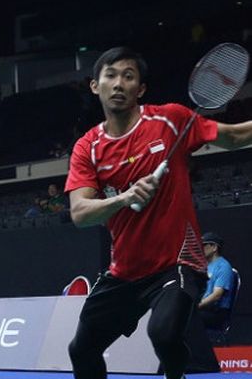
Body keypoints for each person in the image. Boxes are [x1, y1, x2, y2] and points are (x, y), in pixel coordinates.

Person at [65, 47, 252, 379]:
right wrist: (123, 199)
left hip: (175, 262)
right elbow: (80, 213)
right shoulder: (88, 147)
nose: (119, 83)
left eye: (128, 75)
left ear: (141, 89)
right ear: (95, 86)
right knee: (81, 349)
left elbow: (234, 136)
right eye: (110, 75)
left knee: (163, 334)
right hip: (123, 271)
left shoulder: (170, 120)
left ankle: (176, 374)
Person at [197, 232, 235, 330]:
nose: (201, 248)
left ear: (214, 247)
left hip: (216, 313)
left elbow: (217, 295)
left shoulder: (223, 267)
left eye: (204, 245)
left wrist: (198, 305)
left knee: (186, 318)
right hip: (205, 309)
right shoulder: (204, 266)